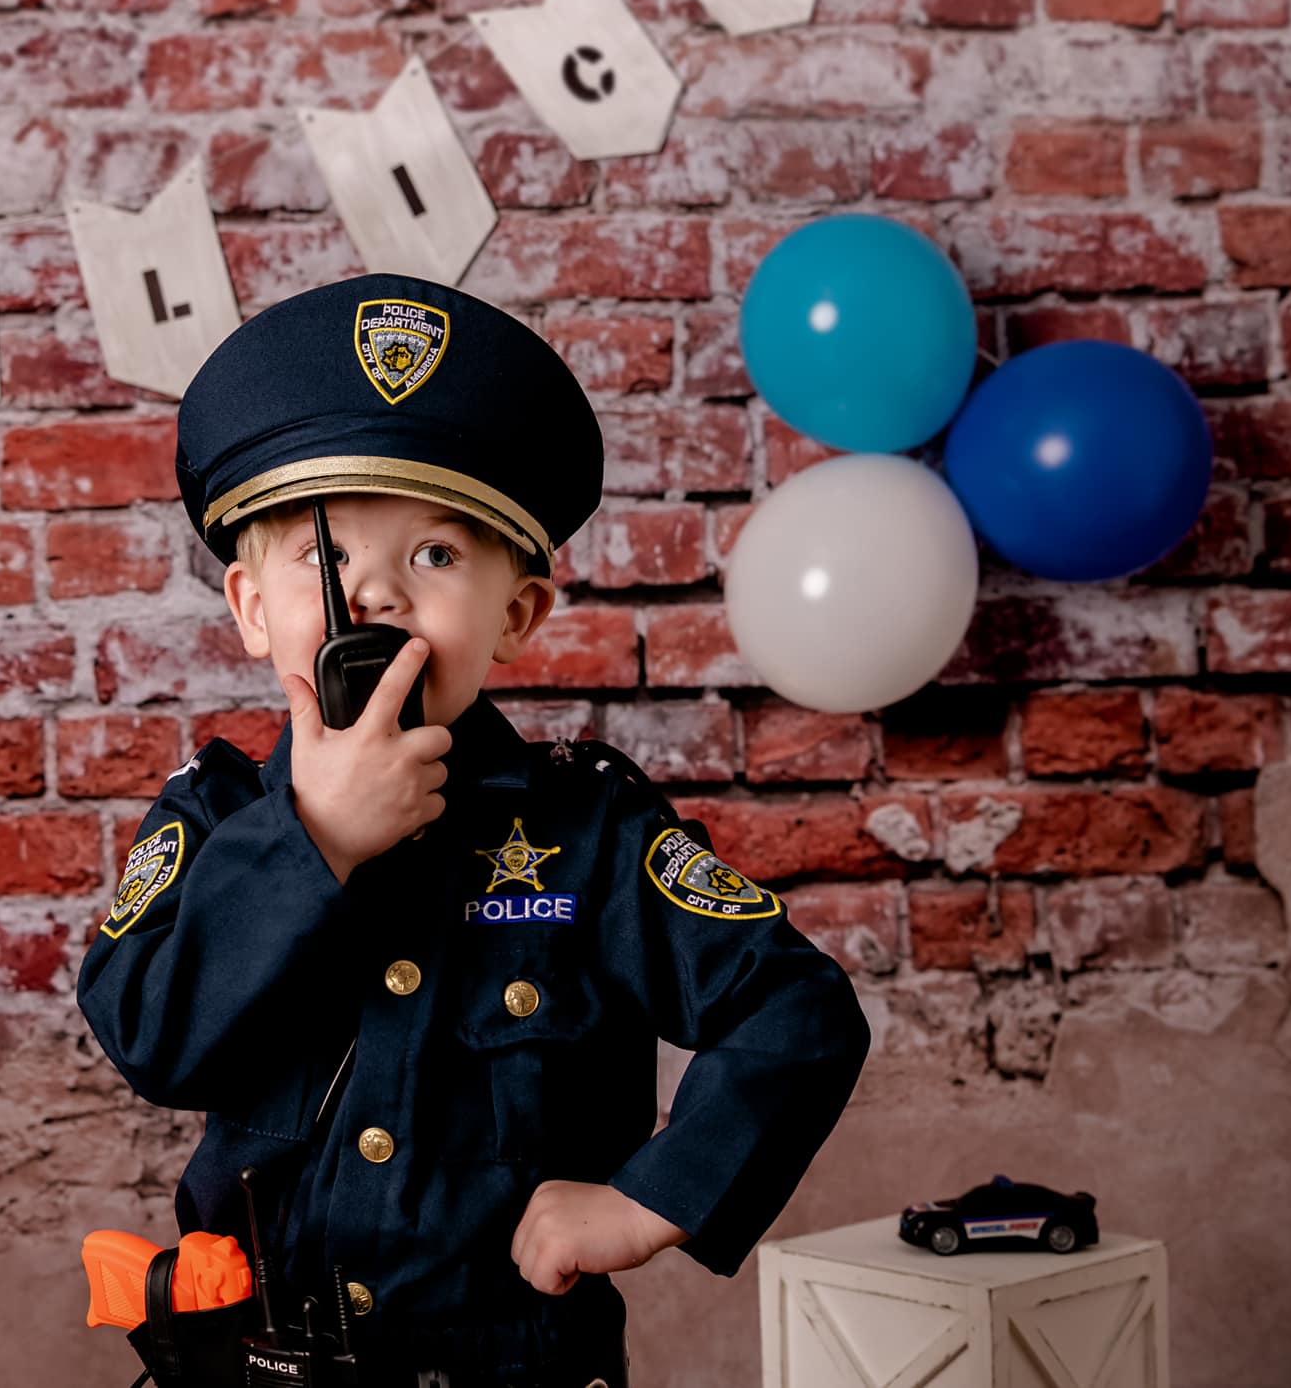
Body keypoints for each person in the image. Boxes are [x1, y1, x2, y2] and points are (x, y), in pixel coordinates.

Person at [76, 272, 871, 1388]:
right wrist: (313, 839)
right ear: (253, 611)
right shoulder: (211, 816)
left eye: (435, 556)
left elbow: (795, 1009)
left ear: (517, 613)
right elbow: (147, 1035)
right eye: (324, 557)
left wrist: (653, 1195)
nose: (379, 598)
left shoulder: (588, 826)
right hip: (251, 1364)